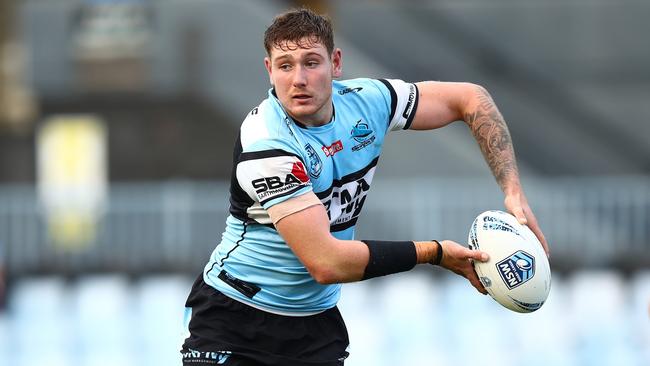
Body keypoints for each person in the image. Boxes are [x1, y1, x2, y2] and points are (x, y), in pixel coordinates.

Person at [180, 8, 549, 366]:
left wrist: (513, 191)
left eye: (311, 62)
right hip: (235, 319)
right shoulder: (267, 141)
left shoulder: (367, 102)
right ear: (269, 70)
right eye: (285, 66)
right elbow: (326, 262)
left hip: (314, 327)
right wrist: (433, 253)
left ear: (336, 63)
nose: (299, 79)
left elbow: (472, 99)